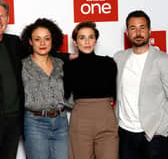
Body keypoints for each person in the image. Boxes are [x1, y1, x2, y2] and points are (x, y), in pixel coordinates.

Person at [114, 10, 168, 159]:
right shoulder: (119, 58)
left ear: (149, 31)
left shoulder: (163, 60)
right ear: (127, 33)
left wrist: (162, 128)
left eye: (142, 27)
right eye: (133, 28)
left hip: (153, 135)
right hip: (125, 133)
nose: (138, 32)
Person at [63, 21, 119, 159]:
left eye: (91, 37)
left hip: (106, 119)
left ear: (96, 40)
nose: (87, 41)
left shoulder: (109, 63)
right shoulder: (68, 66)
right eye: (82, 38)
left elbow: (115, 93)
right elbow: (66, 94)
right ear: (75, 42)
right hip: (80, 121)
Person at [21, 18, 72, 159]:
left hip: (61, 122)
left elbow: (69, 92)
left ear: (52, 40)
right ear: (30, 42)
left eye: (46, 39)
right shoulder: (22, 66)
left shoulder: (60, 63)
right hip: (35, 123)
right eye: (37, 39)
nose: (42, 43)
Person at [0, 0, 24, 159]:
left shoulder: (14, 42)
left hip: (14, 118)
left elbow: (39, 54)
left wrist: (70, 56)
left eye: (2, 16)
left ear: (8, 19)